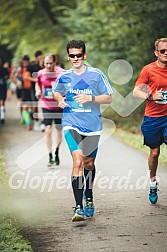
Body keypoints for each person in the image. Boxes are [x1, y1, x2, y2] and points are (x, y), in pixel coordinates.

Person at [52, 40, 113, 222]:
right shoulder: (64, 76)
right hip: (71, 122)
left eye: (79, 55)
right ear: (68, 57)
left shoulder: (96, 75)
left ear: (84, 56)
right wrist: (59, 100)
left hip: (93, 126)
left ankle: (89, 194)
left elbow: (109, 98)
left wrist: (90, 97)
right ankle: (78, 207)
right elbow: (56, 91)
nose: (76, 58)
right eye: (72, 55)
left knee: (89, 163)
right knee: (77, 161)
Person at [133, 38, 167, 204]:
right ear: (156, 53)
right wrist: (151, 96)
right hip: (153, 117)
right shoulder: (149, 70)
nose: (166, 53)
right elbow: (136, 91)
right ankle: (153, 182)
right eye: (163, 51)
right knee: (154, 152)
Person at [36, 53, 64, 167]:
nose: (48, 66)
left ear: (55, 63)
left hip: (58, 105)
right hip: (46, 105)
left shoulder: (61, 73)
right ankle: (49, 156)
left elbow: (67, 87)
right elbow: (37, 84)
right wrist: (37, 91)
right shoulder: (40, 73)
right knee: (47, 130)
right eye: (46, 63)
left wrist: (57, 87)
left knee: (58, 130)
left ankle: (57, 152)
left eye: (50, 63)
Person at [25, 50, 43, 131]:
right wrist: (35, 80)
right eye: (40, 57)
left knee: (43, 104)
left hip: (43, 88)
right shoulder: (31, 66)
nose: (41, 59)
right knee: (35, 105)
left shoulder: (43, 65)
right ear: (36, 57)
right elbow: (26, 76)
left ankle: (42, 122)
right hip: (33, 88)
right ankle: (36, 122)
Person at [0, 58, 9, 124]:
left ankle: (2, 116)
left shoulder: (4, 70)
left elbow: (7, 77)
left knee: (2, 101)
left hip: (3, 88)